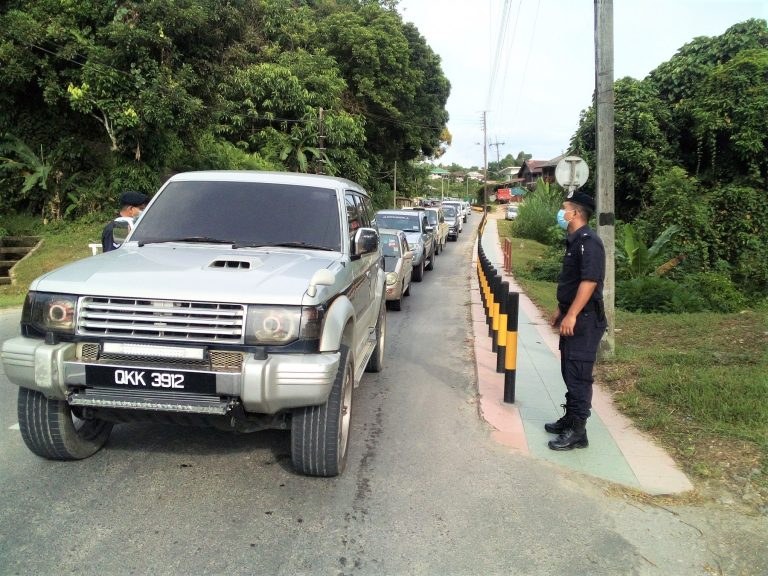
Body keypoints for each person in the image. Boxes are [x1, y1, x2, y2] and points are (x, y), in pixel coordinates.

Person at [546, 190, 607, 451]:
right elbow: (573, 283)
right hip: (575, 316)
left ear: (575, 213)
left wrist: (571, 314)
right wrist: (561, 310)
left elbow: (589, 282)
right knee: (569, 371)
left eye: (564, 208)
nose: (561, 213)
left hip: (585, 320)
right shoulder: (575, 241)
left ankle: (578, 432)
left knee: (579, 375)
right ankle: (570, 419)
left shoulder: (589, 242)